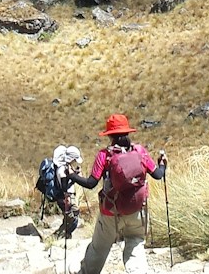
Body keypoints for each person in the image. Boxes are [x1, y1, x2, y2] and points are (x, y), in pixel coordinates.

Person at [68, 114, 166, 274]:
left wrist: (72, 175)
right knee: (135, 242)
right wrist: (162, 164)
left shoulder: (104, 155)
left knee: (99, 247)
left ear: (110, 135)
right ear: (128, 132)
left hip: (111, 212)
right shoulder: (140, 151)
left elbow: (91, 183)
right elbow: (158, 175)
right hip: (137, 209)